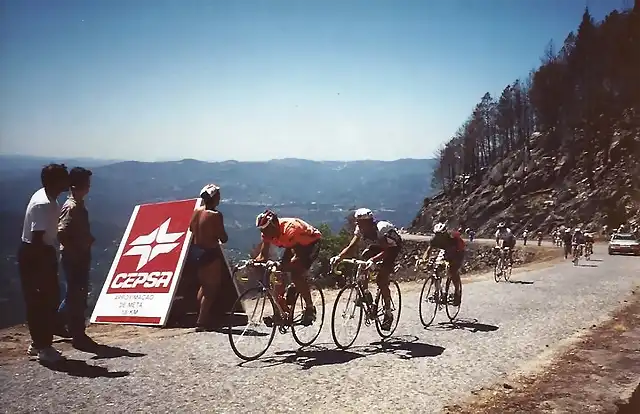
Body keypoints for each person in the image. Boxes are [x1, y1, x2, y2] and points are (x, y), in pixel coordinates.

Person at [19, 163, 69, 363]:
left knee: (40, 301)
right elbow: (37, 236)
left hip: (36, 251)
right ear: (56, 181)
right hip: (37, 253)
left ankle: (37, 343)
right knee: (44, 301)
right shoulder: (44, 204)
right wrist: (42, 267)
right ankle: (44, 348)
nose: (68, 181)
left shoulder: (45, 196)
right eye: (64, 177)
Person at [333, 208, 403, 330]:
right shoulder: (360, 229)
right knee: (364, 260)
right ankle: (365, 293)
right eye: (357, 222)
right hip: (376, 247)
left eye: (360, 223)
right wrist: (339, 257)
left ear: (369, 222)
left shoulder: (380, 229)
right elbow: (352, 246)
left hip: (391, 248)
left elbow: (386, 251)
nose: (357, 224)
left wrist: (374, 260)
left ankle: (388, 312)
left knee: (381, 280)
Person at [255, 209, 321, 326]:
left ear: (274, 224)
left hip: (310, 244)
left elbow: (294, 255)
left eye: (266, 229)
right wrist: (254, 263)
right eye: (262, 230)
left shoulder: (290, 229)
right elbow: (263, 254)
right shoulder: (266, 232)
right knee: (277, 273)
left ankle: (310, 307)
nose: (265, 233)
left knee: (296, 273)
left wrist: (281, 264)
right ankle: (280, 311)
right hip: (292, 245)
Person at [56, 167, 96, 348]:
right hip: (75, 257)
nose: (87, 188)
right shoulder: (71, 207)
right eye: (85, 184)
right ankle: (78, 333)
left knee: (74, 293)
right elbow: (62, 232)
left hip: (77, 255)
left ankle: (59, 322)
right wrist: (77, 249)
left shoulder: (77, 205)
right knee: (77, 294)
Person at [189, 184, 229, 332]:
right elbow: (223, 237)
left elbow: (191, 228)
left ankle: (203, 315)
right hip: (209, 251)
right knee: (210, 289)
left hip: (196, 251)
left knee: (204, 285)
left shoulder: (196, 211)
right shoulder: (215, 215)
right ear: (214, 198)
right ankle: (202, 321)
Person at [420, 222, 465, 306]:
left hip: (458, 252)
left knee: (453, 271)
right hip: (445, 251)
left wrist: (450, 262)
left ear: (444, 233)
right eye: (436, 234)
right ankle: (438, 291)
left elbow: (455, 251)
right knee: (437, 267)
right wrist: (424, 259)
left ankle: (457, 293)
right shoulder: (434, 239)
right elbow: (428, 250)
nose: (438, 236)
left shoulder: (452, 237)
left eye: (440, 234)